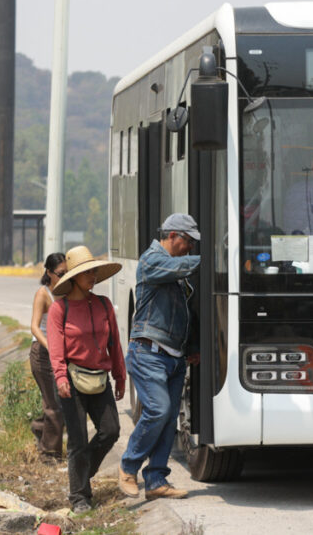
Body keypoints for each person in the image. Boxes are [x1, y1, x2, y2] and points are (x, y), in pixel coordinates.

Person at [119, 213, 201, 501]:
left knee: (168, 421)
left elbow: (183, 312)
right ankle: (128, 467)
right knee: (158, 410)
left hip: (174, 356)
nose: (190, 248)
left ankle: (155, 481)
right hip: (148, 351)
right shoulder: (153, 259)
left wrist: (190, 348)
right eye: (188, 242)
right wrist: (214, 256)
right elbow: (181, 266)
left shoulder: (173, 268)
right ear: (174, 235)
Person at [48, 246, 127, 514]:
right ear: (74, 277)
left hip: (100, 379)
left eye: (94, 272)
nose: (92, 276)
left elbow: (114, 343)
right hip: (71, 381)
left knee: (111, 430)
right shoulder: (60, 309)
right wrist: (60, 376)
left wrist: (120, 375)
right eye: (87, 273)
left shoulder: (104, 304)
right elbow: (56, 348)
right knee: (78, 441)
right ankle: (79, 497)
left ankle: (81, 471)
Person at [29, 252, 67, 461]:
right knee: (54, 404)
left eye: (67, 273)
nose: (64, 278)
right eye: (60, 274)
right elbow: (35, 327)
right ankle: (49, 453)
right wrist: (51, 347)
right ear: (49, 273)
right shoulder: (43, 294)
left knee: (62, 401)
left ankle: (39, 428)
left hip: (61, 353)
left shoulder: (68, 291)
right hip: (43, 354)